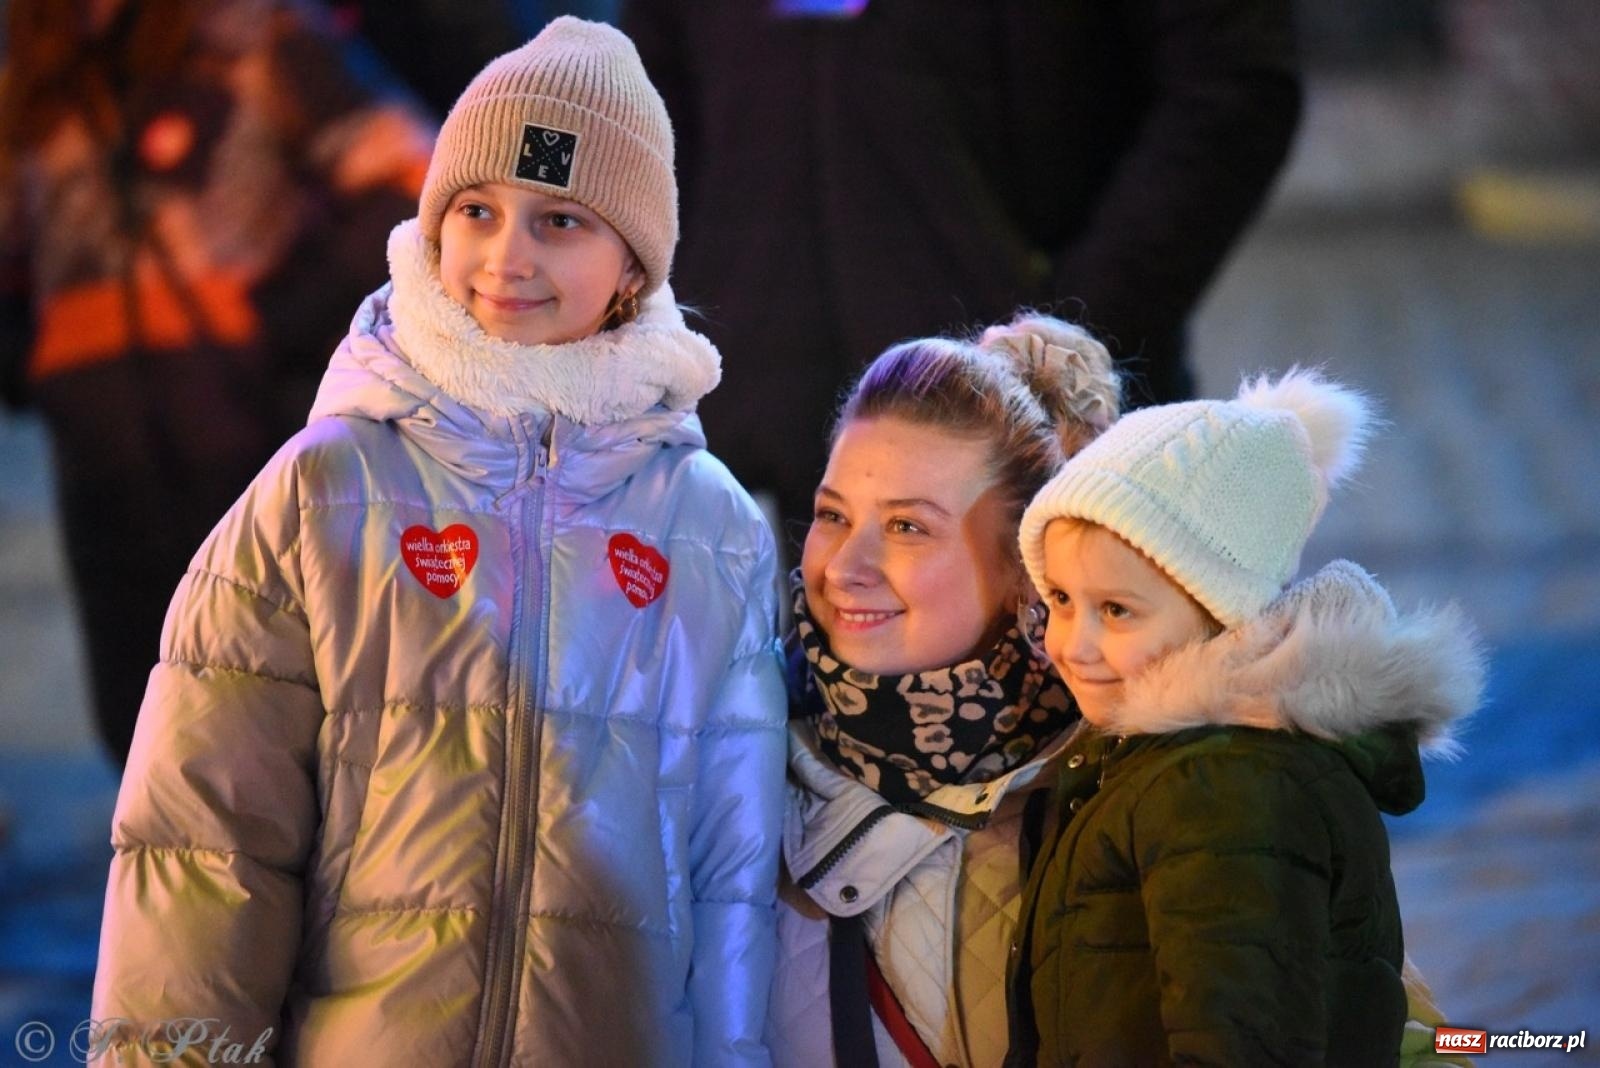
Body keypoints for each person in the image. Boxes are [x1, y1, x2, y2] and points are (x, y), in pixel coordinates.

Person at [90, 17, 787, 1066]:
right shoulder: (323, 493)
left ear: (633, 269)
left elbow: (735, 876)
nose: (508, 256)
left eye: (560, 220)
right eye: (476, 211)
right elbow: (203, 845)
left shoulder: (713, 530)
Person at [619, 0, 1304, 536]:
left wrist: (1066, 334)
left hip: (1043, 450)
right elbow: (649, 90)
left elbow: (1233, 82)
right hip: (767, 437)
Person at [0, 0, 434, 766]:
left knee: (287, 717)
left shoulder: (251, 39)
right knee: (143, 734)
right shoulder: (35, 82)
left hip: (249, 446)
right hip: (103, 466)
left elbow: (410, 184)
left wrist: (276, 322)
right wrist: (32, 360)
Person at [1007, 369, 1485, 1063]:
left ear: (1222, 611)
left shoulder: (1224, 789)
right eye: (1058, 598)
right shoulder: (1170, 756)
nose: (1071, 644)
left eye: (1116, 610)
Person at [766, 312, 1122, 1066]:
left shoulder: (1149, 784)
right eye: (834, 515)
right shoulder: (731, 760)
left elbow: (1430, 1042)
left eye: (907, 528)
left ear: (1024, 575)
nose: (843, 567)